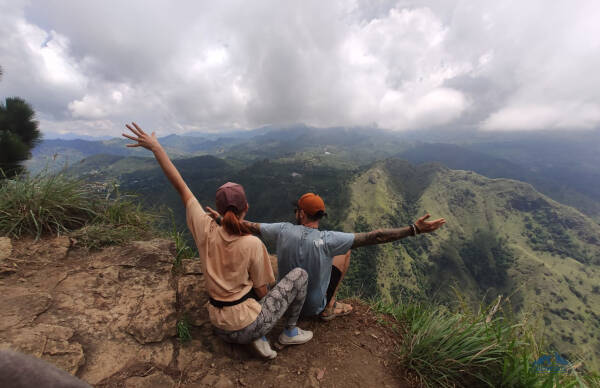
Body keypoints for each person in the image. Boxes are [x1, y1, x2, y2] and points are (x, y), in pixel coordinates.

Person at [122, 122, 312, 359]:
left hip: (219, 325)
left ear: (220, 209)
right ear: (246, 208)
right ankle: (289, 333)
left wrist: (157, 148)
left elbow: (180, 185)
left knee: (245, 286)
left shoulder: (205, 229)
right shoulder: (252, 243)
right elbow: (263, 292)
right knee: (298, 276)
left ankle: (258, 337)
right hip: (246, 325)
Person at [208, 192, 445, 320]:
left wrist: (220, 219)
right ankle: (328, 305)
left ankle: (323, 305)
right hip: (310, 309)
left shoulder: (281, 230)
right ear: (319, 216)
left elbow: (247, 226)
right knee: (346, 252)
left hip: (283, 304)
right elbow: (377, 236)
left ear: (301, 213)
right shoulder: (330, 240)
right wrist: (413, 230)